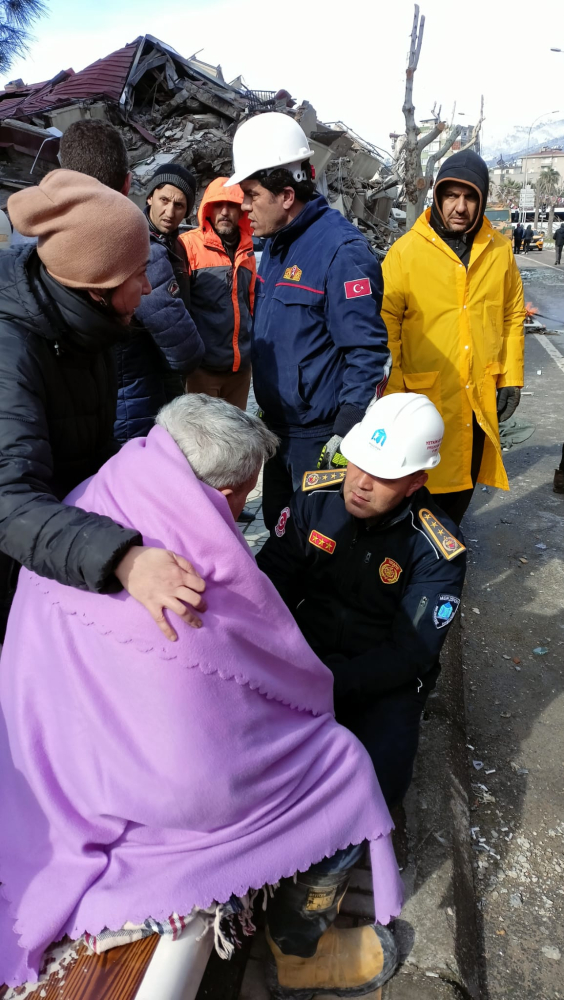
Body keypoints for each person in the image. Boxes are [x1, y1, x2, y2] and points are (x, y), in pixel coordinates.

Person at [0, 394, 402, 999]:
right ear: (217, 488)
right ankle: (298, 951)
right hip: (152, 780)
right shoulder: (194, 551)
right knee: (343, 763)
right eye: (240, 498)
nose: (239, 512)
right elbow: (260, 662)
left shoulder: (98, 495)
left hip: (43, 748)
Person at [0, 170, 205, 642]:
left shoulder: (86, 328)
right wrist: (123, 558)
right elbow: (10, 499)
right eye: (138, 276)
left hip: (54, 550)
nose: (149, 289)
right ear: (98, 286)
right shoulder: (14, 353)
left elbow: (90, 445)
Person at [258, 393, 466, 806]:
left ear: (415, 483)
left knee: (374, 792)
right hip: (303, 655)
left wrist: (330, 687)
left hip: (382, 680)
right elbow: (269, 582)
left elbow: (411, 653)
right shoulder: (314, 499)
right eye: (357, 463)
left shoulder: (436, 548)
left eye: (383, 474)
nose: (361, 484)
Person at [224, 112, 391, 529]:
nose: (243, 207)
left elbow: (368, 351)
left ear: (284, 195)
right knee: (282, 536)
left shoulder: (341, 252)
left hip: (318, 440)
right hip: (280, 432)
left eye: (251, 194)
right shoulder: (279, 246)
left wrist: (347, 428)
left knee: (318, 544)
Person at [382, 150, 526, 525]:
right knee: (414, 491)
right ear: (437, 196)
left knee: (461, 487)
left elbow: (512, 315)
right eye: (451, 195)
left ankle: (442, 568)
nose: (460, 207)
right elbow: (387, 328)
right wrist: (391, 395)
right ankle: (414, 572)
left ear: (481, 200)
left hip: (478, 399)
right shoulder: (405, 253)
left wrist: (510, 378)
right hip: (420, 400)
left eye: (470, 197)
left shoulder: (499, 252)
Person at [60, 123, 204, 443]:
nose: (170, 211)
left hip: (92, 402)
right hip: (136, 400)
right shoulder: (140, 249)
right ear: (144, 193)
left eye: (180, 205)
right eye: (164, 199)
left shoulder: (47, 249)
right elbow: (181, 344)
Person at [180, 177, 256, 410]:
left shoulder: (248, 251)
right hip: (202, 371)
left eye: (232, 205)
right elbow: (179, 310)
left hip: (239, 371)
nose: (224, 212)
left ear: (241, 210)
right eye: (218, 205)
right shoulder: (188, 246)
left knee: (236, 441)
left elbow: (251, 303)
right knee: (201, 441)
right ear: (207, 209)